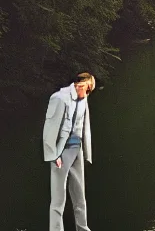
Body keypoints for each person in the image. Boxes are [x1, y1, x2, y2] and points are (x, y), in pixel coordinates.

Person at [43, 72, 96, 231]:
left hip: (77, 150)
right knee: (58, 200)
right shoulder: (59, 98)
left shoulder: (83, 99)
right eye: (88, 89)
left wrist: (86, 152)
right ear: (80, 85)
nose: (88, 94)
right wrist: (54, 155)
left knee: (80, 196)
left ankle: (83, 228)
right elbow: (49, 130)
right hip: (62, 152)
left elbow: (84, 125)